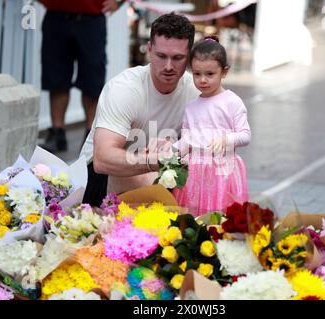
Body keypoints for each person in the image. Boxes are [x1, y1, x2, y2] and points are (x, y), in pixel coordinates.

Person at [79, 13, 199, 206]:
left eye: (177, 58)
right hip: (98, 180)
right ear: (149, 50)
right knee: (159, 183)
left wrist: (175, 148)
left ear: (190, 57)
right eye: (161, 56)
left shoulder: (194, 94)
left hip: (159, 177)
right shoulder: (124, 88)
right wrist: (157, 160)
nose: (169, 66)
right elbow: (102, 159)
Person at [172, 36, 251, 216]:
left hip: (222, 171)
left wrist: (226, 139)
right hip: (194, 174)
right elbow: (187, 141)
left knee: (219, 215)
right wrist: (168, 153)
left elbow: (245, 135)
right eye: (197, 74)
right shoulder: (191, 107)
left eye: (210, 74)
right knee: (193, 217)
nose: (203, 80)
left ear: (224, 72)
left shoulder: (231, 101)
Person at [38, 0, 121, 153]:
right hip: (55, 17)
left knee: (92, 80)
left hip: (92, 19)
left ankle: (90, 135)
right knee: (56, 78)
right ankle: (57, 133)